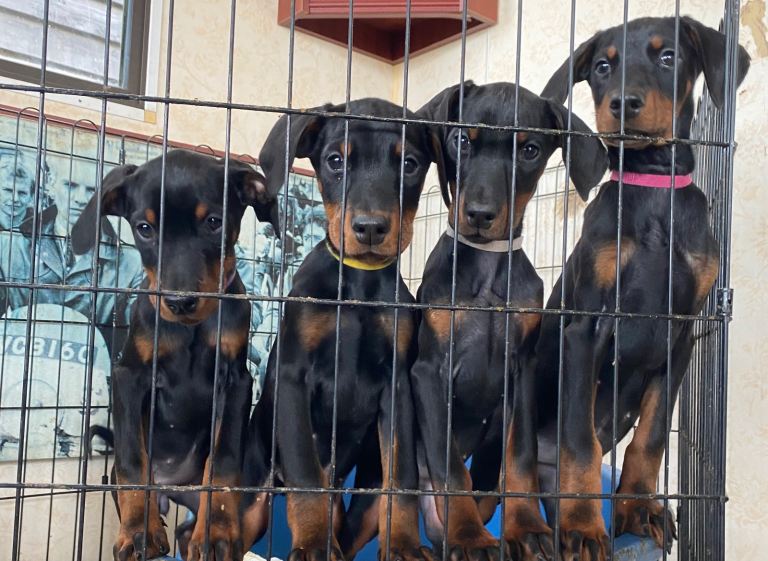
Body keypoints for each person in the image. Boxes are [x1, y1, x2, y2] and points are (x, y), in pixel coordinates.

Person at [0, 156, 144, 355]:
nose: (80, 198)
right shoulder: (10, 244)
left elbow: (138, 334)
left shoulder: (130, 262)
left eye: (91, 190)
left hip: (92, 374)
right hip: (22, 365)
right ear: (50, 185)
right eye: (70, 185)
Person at [0, 147, 36, 231]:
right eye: (8, 190)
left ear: (32, 196)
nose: (15, 199)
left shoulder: (41, 225)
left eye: (22, 193)